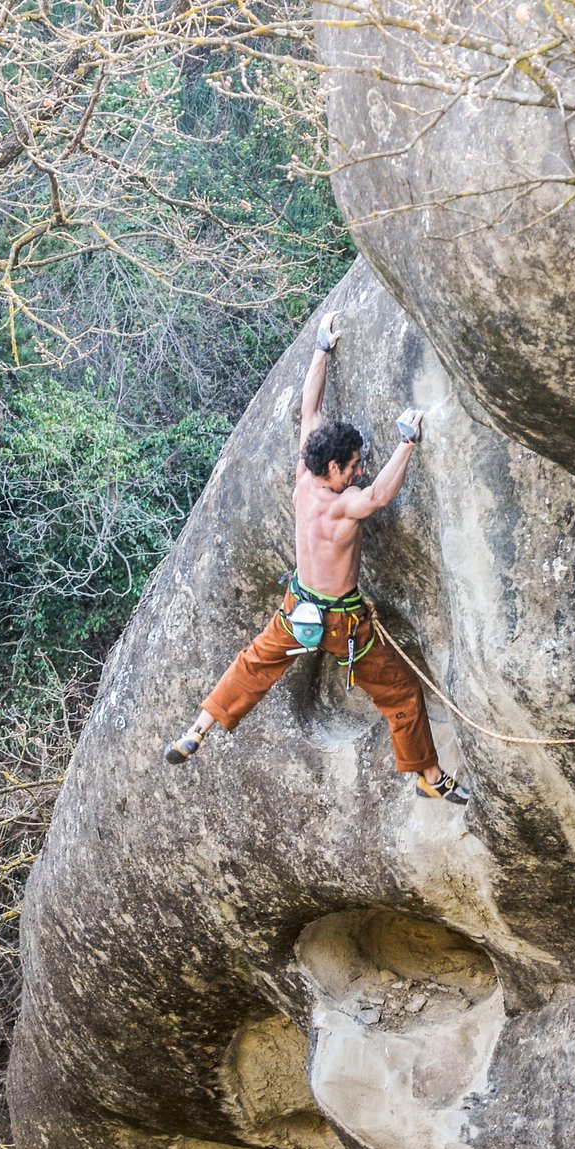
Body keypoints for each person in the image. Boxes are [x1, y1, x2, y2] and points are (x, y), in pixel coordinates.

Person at [163, 311, 468, 804]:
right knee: (401, 693)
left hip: (297, 608)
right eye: (354, 465)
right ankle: (429, 777)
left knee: (253, 664)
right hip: (343, 626)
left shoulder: (306, 478)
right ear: (334, 467)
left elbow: (310, 407)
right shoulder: (344, 504)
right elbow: (380, 497)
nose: (360, 470)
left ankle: (199, 728)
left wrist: (320, 350)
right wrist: (406, 444)